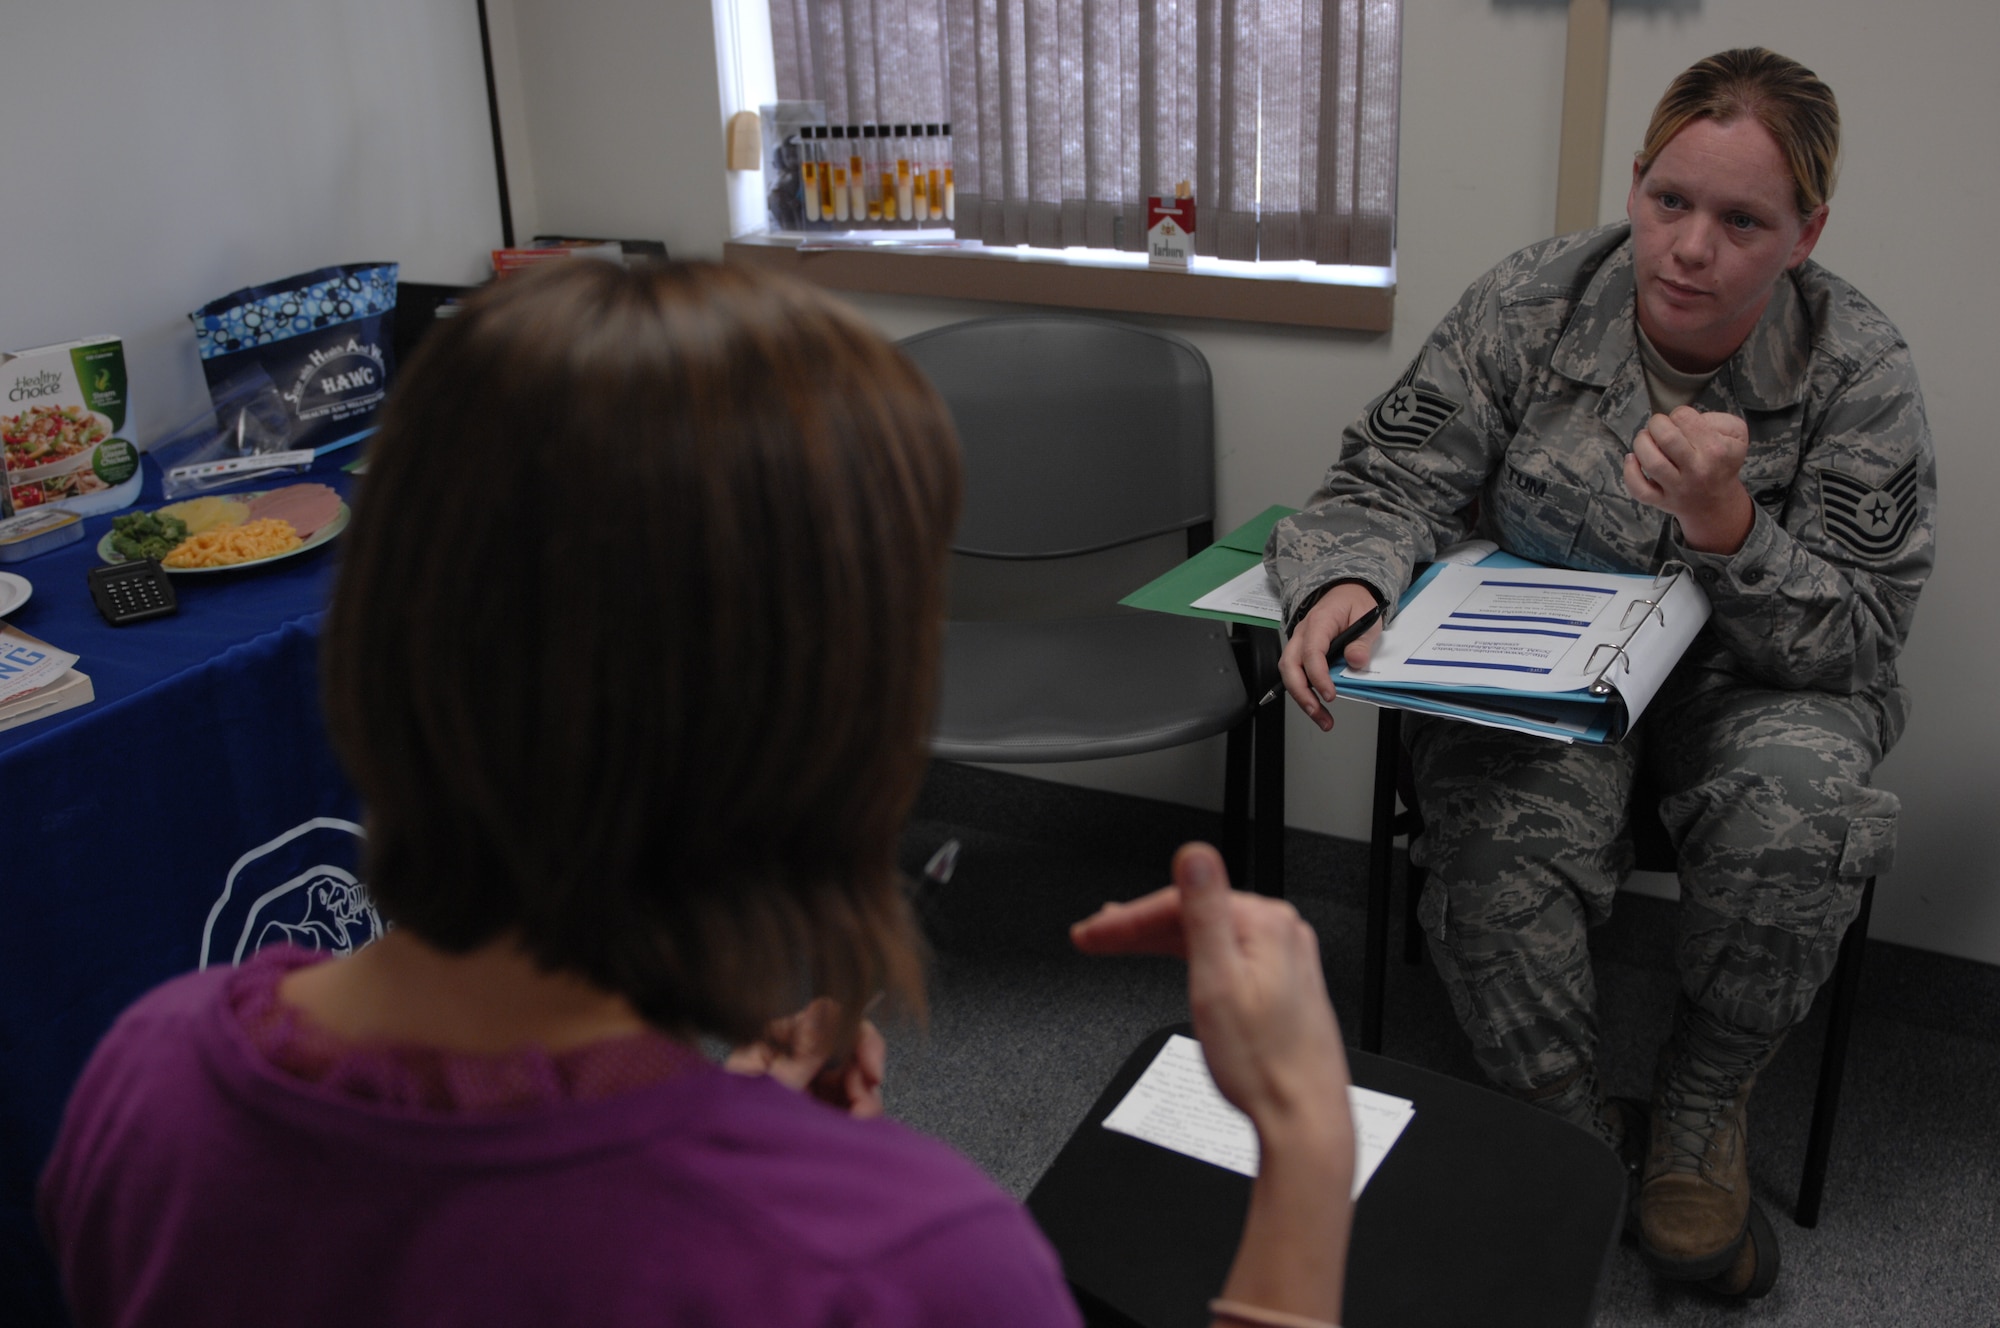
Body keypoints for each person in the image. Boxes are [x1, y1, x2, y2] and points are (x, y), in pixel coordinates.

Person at [39, 259, 1357, 1328]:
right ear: (822, 721)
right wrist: (1302, 1145)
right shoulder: (907, 1270)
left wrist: (730, 1147)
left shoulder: (143, 1083)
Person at [1266, 48, 1933, 1298]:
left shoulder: (1856, 367)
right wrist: (1346, 577)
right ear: (1634, 183)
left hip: (1752, 686)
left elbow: (1853, 638)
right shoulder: (1533, 299)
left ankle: (1695, 1112)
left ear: (1805, 232)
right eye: (1669, 201)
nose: (1690, 247)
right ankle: (1567, 1125)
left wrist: (1730, 525)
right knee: (1488, 831)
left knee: (1802, 811)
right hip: (1548, 671)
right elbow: (1384, 480)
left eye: (1742, 221)